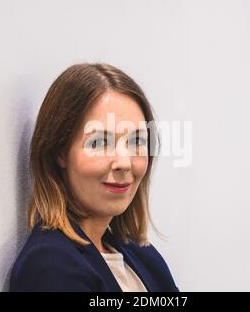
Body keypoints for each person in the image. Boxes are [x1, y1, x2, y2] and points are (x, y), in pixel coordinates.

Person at [10, 63, 179, 292]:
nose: (124, 162)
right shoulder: (50, 265)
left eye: (136, 141)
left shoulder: (141, 253)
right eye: (100, 142)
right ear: (60, 152)